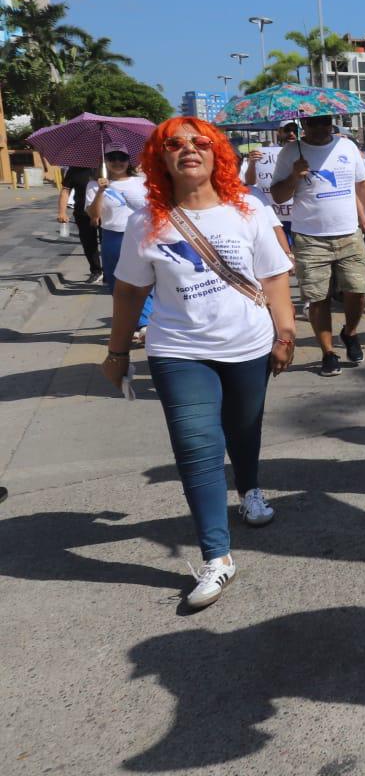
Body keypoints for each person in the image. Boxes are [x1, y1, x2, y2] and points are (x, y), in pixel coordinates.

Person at [100, 116, 296, 610]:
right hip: (178, 349)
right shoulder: (147, 220)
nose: (189, 149)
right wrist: (117, 351)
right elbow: (129, 291)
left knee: (243, 426)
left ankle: (249, 488)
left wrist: (285, 332)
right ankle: (218, 556)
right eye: (175, 144)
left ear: (217, 155)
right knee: (196, 446)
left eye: (199, 143)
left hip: (248, 342)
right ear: (160, 159)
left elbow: (273, 277)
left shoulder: (247, 208)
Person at [269, 114, 365, 377]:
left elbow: (363, 185)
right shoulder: (290, 152)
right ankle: (328, 352)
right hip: (310, 239)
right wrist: (295, 176)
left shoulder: (347, 146)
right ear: (303, 126)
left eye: (326, 122)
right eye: (314, 123)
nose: (321, 127)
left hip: (349, 234)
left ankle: (350, 332)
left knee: (358, 291)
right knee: (317, 298)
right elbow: (278, 195)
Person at [85, 148, 155, 340]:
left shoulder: (142, 182)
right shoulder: (94, 185)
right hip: (113, 236)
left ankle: (146, 322)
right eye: (112, 158)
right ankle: (131, 321)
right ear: (105, 161)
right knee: (118, 282)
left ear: (128, 160)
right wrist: (101, 190)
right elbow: (94, 217)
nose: (117, 162)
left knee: (146, 277)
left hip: (142, 234)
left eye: (122, 157)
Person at [244, 120, 299, 250]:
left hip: (300, 217)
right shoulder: (264, 154)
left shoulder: (306, 151)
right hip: (275, 218)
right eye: (287, 130)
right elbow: (250, 182)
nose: (291, 134)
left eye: (295, 130)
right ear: (279, 132)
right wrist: (252, 163)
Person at [58, 165, 104, 283]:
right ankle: (96, 271)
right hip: (82, 212)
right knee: (89, 243)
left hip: (106, 213)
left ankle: (110, 271)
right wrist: (62, 212)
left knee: (108, 243)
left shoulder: (105, 167)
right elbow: (65, 190)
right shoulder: (74, 170)